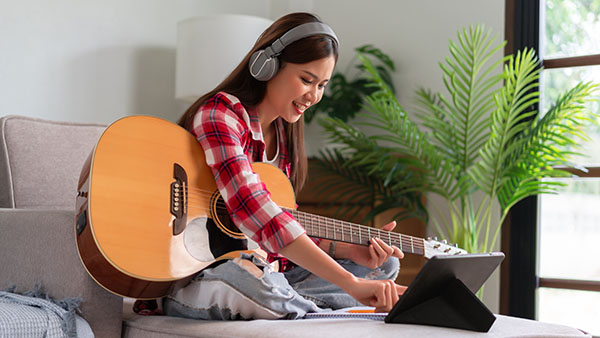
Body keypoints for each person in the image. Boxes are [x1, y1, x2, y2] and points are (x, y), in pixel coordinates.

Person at [162, 12, 407, 320]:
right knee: (250, 280)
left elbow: (283, 227)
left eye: (322, 85)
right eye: (306, 80)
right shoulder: (219, 115)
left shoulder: (284, 136)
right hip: (201, 274)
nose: (314, 96)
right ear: (267, 65)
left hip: (270, 270)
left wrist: (349, 251)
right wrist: (349, 283)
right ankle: (301, 303)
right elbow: (260, 215)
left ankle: (290, 302)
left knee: (384, 266)